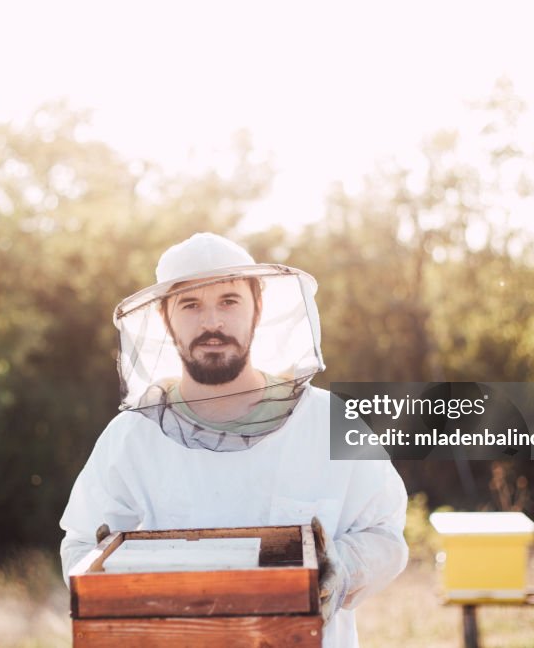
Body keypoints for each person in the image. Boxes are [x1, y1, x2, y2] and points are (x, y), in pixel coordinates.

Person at [60, 232, 408, 647]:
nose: (212, 323)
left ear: (257, 308)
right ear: (165, 318)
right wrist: (114, 583)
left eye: (229, 300)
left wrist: (343, 567)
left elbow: (386, 534)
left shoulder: (330, 420)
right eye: (190, 305)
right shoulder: (131, 437)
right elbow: (81, 544)